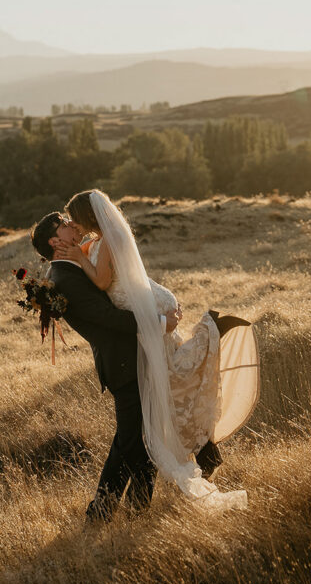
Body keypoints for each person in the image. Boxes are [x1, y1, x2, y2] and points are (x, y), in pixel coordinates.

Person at [54, 190, 254, 510]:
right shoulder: (98, 240)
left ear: (87, 218)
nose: (71, 223)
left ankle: (212, 334)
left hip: (152, 312)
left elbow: (104, 282)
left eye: (73, 218)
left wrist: (78, 256)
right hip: (150, 309)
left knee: (172, 381)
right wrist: (77, 252)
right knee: (170, 384)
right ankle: (203, 452)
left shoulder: (105, 240)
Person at [30, 210, 180, 523]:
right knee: (128, 440)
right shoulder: (64, 278)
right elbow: (108, 319)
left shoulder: (72, 267)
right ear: (55, 241)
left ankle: (138, 508)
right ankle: (99, 513)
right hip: (122, 363)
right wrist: (160, 322)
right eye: (64, 224)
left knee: (144, 436)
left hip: (131, 358)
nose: (72, 225)